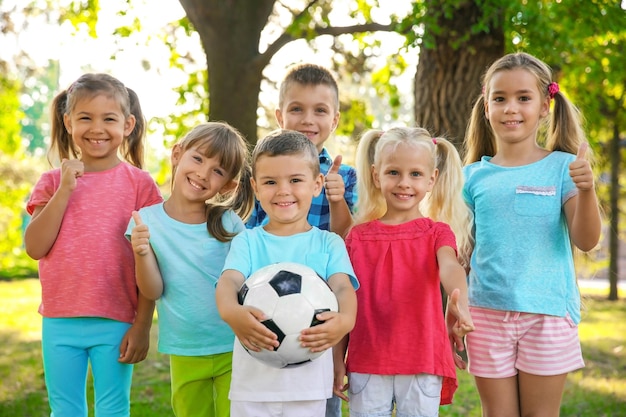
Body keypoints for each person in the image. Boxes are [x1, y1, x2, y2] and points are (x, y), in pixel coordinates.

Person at [462, 52, 602, 417]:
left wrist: (586, 190)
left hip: (547, 314)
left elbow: (586, 240)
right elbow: (461, 251)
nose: (511, 108)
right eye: (500, 98)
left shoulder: (562, 168)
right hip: (486, 313)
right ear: (486, 105)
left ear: (544, 106)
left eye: (524, 98)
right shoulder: (471, 177)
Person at [24, 73, 163, 417]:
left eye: (109, 119)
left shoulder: (140, 185)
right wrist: (65, 190)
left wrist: (143, 324)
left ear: (127, 124)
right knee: (65, 410)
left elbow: (151, 260)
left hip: (117, 318)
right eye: (85, 117)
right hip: (59, 319)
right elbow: (35, 247)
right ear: (68, 122)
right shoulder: (52, 181)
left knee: (113, 409)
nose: (96, 128)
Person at [216, 129, 359, 417]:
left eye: (295, 180)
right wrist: (231, 312)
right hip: (252, 384)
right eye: (271, 182)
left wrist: (345, 320)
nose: (283, 190)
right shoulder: (248, 241)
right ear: (256, 188)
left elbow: (344, 288)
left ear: (317, 184)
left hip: (308, 385)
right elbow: (228, 281)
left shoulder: (328, 242)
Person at [338, 127, 475, 417]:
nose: (404, 183)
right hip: (368, 358)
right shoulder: (357, 237)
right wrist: (339, 358)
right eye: (393, 173)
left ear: (431, 179)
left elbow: (450, 266)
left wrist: (458, 300)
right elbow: (345, 302)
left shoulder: (437, 232)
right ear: (376, 176)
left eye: (415, 174)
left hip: (422, 358)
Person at [126, 122, 254, 417]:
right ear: (177, 154)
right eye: (197, 159)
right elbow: (153, 290)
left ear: (228, 185)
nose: (202, 173)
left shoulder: (229, 223)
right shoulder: (145, 222)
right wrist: (142, 253)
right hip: (185, 348)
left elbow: (247, 283)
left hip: (234, 346)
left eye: (217, 170)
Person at [246, 63, 357, 238]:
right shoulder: (261, 172)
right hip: (268, 261)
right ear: (280, 117)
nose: (307, 120)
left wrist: (337, 200)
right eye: (296, 109)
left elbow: (349, 239)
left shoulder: (346, 176)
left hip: (320, 264)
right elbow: (246, 231)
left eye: (320, 110)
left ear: (334, 121)